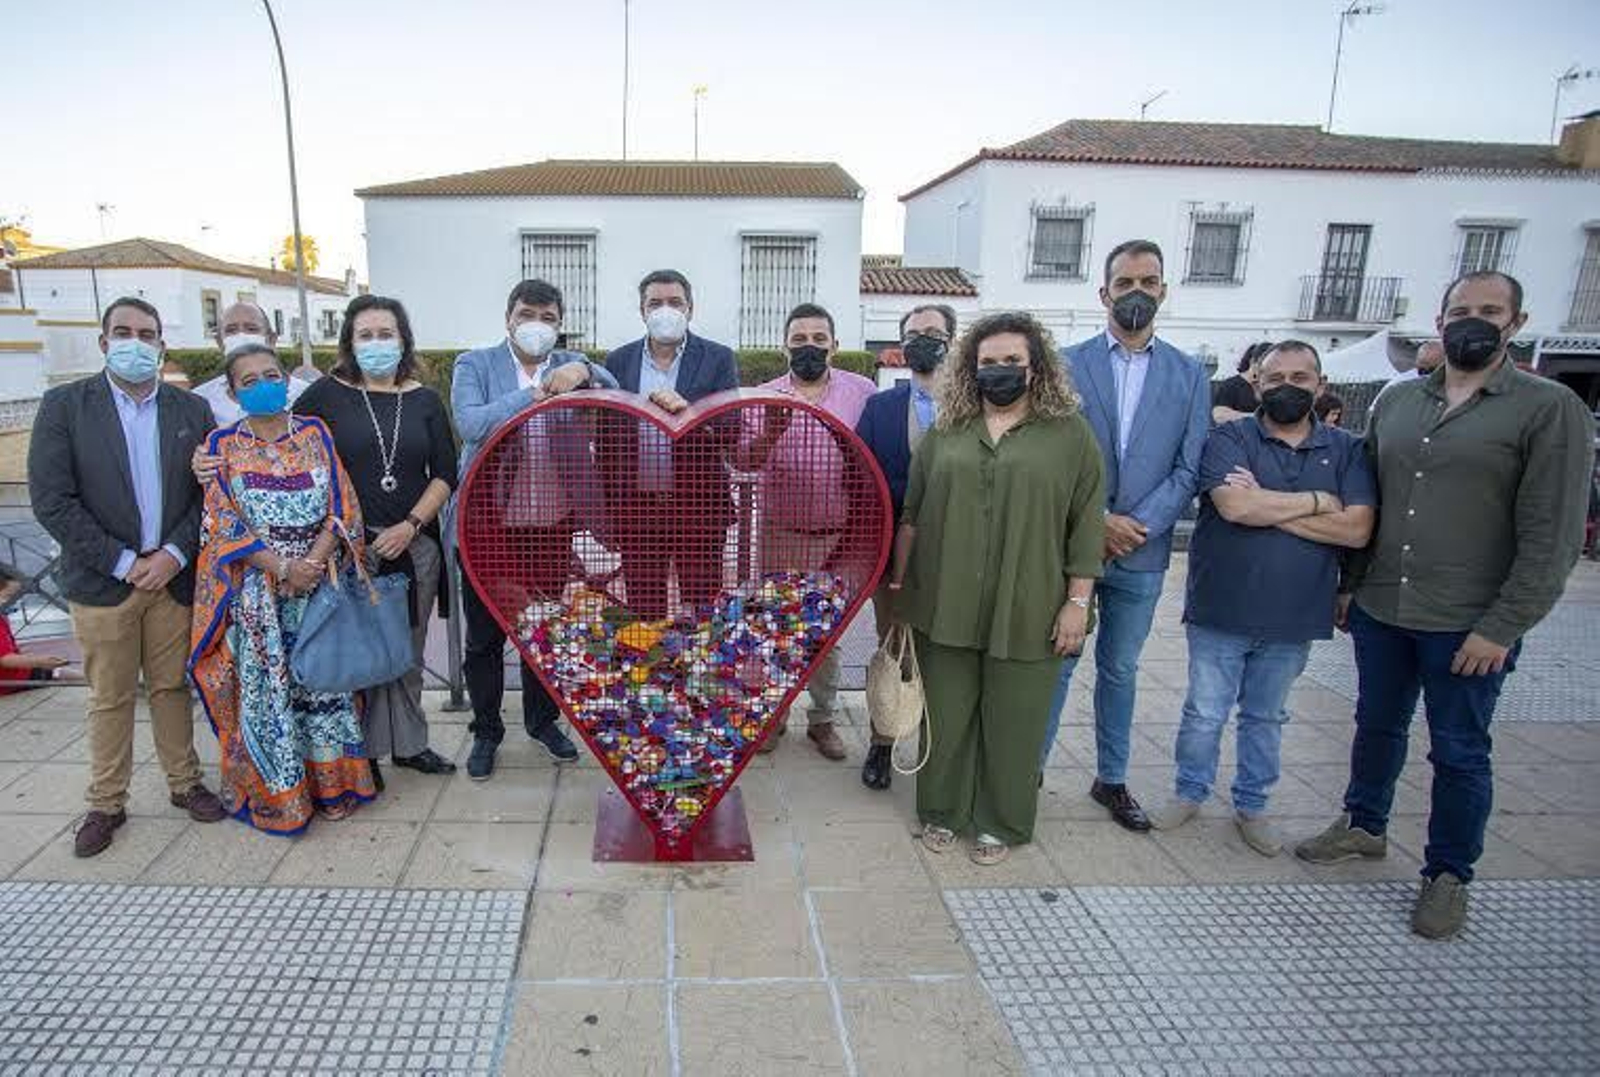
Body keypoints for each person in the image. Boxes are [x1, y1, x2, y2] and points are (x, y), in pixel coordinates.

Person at [1295, 271, 1595, 940]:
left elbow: (1554, 535)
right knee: (1376, 726)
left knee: (1460, 751)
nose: (1473, 321)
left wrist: (1503, 626)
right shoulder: (1399, 402)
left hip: (1468, 620)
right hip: (1384, 607)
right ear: (1439, 317)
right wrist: (1350, 583)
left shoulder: (1548, 408)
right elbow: (1367, 499)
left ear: (1516, 323)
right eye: (1461, 309)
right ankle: (1364, 823)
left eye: (1490, 311)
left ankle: (1448, 872)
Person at [890, 312, 1105, 864]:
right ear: (970, 367)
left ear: (1036, 369)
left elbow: (1086, 525)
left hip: (1030, 602)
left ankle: (1000, 823)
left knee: (1015, 721)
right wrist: (900, 587)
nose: (1000, 371)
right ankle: (941, 811)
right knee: (948, 714)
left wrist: (1076, 604)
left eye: (1012, 361)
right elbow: (912, 514)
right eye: (988, 362)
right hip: (947, 599)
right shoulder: (948, 429)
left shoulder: (1069, 434)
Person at [1151, 342, 1375, 854]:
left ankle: (1252, 805)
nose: (1287, 387)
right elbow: (1234, 508)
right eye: (1274, 378)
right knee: (1204, 712)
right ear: (1257, 385)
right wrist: (1319, 502)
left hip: (1295, 613)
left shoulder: (1345, 449)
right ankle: (1189, 792)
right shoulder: (1229, 438)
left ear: (1320, 385)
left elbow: (1358, 529)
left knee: (1265, 716)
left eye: (1300, 377)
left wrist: (1267, 501)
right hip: (1221, 605)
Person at [28, 296, 226, 858]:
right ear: (104, 341)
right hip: (103, 582)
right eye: (124, 332)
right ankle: (106, 802)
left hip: (170, 575)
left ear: (162, 345)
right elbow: (52, 500)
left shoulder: (189, 411)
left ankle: (184, 784)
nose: (135, 343)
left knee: (170, 688)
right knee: (110, 696)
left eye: (147, 334)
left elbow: (206, 494)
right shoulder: (65, 406)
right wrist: (123, 562)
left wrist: (171, 554)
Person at [1041, 240, 1210, 831]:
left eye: (1148, 281)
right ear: (1104, 292)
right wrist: (1096, 522)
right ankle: (1030, 771)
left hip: (1144, 548)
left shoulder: (1190, 374)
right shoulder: (1063, 364)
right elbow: (1050, 456)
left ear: (1163, 290)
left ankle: (1111, 778)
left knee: (1119, 669)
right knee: (1059, 659)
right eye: (1125, 282)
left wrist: (1137, 526)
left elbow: (1191, 466)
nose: (1135, 292)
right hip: (1073, 544)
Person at [189, 344, 375, 831]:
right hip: (258, 596)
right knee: (271, 696)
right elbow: (222, 521)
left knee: (324, 687)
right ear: (231, 393)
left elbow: (342, 501)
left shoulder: (315, 433)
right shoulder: (220, 446)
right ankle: (284, 798)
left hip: (318, 587)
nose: (262, 385)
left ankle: (333, 786)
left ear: (286, 380)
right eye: (248, 381)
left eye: (271, 375)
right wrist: (279, 567)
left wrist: (311, 562)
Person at [450, 279, 617, 781]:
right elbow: (471, 424)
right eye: (527, 314)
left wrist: (583, 367)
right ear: (508, 318)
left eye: (547, 317)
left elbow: (612, 389)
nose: (536, 325)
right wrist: (534, 395)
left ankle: (543, 723)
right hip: (488, 525)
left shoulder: (570, 362)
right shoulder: (474, 364)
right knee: (483, 639)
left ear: (559, 322)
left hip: (550, 526)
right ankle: (485, 731)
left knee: (545, 630)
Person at [291, 295, 461, 789]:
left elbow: (445, 473)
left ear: (404, 339)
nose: (376, 343)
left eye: (386, 334)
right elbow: (285, 448)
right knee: (358, 650)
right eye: (365, 335)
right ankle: (357, 753)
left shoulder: (425, 400)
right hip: (346, 548)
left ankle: (409, 745)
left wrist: (410, 524)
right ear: (349, 342)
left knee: (404, 650)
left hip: (413, 546)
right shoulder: (325, 396)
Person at [740, 302, 879, 761]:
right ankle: (774, 717)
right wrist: (772, 433)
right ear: (785, 346)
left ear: (835, 346)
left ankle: (822, 719)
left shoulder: (862, 391)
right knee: (777, 627)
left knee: (827, 631)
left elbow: (872, 459)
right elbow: (745, 462)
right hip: (781, 531)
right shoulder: (765, 396)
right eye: (799, 340)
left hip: (840, 534)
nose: (809, 348)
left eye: (819, 339)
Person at [853, 303, 954, 790]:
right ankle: (882, 742)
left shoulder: (974, 408)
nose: (923, 341)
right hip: (894, 554)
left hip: (958, 556)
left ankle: (941, 749)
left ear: (952, 341)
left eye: (933, 333)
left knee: (947, 654)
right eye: (913, 334)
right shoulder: (880, 407)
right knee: (892, 649)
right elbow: (859, 478)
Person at [601, 270, 740, 619]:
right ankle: (652, 673)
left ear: (690, 309)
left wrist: (690, 412)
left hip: (699, 508)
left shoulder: (718, 358)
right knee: (645, 613)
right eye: (656, 303)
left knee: (702, 612)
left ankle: (700, 674)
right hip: (638, 509)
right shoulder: (619, 360)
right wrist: (608, 509)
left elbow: (731, 428)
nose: (666, 310)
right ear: (642, 311)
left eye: (675, 302)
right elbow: (606, 439)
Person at [191, 302, 311, 426]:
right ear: (220, 342)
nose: (241, 336)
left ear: (271, 339)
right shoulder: (199, 401)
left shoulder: (306, 393)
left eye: (251, 329)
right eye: (231, 330)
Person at [0, 567, 74, 692]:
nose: (12, 601)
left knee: (57, 672)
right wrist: (40, 661)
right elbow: (5, 659)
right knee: (58, 673)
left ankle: (97, 683)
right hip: (10, 680)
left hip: (15, 674)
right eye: (9, 596)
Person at [1211, 341, 1269, 424]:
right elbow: (1219, 416)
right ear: (1252, 362)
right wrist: (1255, 417)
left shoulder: (1272, 385)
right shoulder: (1230, 385)